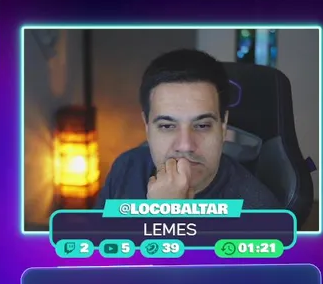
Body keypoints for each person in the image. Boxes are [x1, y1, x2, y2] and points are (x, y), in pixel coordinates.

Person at [96, 49, 280, 207]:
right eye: (167, 126)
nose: (185, 145)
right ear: (147, 127)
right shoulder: (125, 168)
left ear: (223, 126)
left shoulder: (259, 211)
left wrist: (167, 216)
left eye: (202, 125)